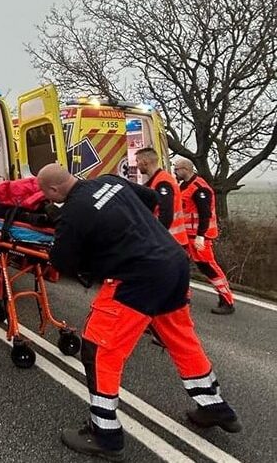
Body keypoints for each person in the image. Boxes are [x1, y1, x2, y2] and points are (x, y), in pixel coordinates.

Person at [36, 163, 241, 461]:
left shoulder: (73, 212)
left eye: (45, 193)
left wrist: (89, 253)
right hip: (172, 262)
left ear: (53, 190)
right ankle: (216, 407)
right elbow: (152, 200)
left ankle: (104, 435)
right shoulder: (109, 181)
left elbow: (63, 262)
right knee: (181, 339)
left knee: (98, 350)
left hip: (137, 278)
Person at [173, 157, 235, 315]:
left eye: (177, 168)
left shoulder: (200, 188)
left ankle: (227, 300)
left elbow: (205, 214)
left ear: (186, 169)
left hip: (199, 237)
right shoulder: (184, 186)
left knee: (208, 267)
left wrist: (201, 236)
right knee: (180, 266)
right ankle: (183, 297)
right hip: (187, 236)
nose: (175, 171)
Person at [134, 148, 188, 246]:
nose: (136, 165)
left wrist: (156, 237)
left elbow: (166, 214)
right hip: (169, 239)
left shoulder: (163, 182)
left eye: (137, 161)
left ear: (145, 162)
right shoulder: (155, 181)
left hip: (170, 240)